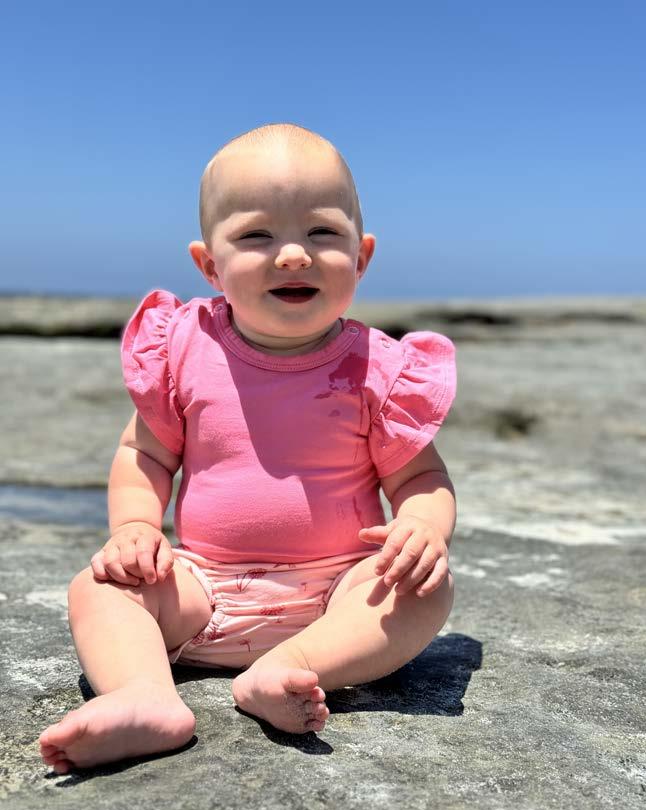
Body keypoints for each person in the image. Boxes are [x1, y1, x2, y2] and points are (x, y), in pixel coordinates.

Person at [38, 123, 457, 774]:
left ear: (362, 255)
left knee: (425, 591)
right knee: (99, 588)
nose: (293, 255)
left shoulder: (379, 368)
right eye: (257, 235)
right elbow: (145, 456)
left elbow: (420, 477)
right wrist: (136, 528)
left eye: (323, 232)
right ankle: (144, 695)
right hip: (203, 584)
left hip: (338, 588)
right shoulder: (184, 347)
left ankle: (288, 668)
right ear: (209, 264)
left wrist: (423, 528)